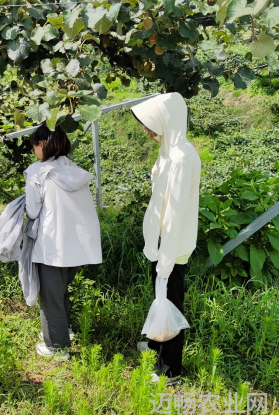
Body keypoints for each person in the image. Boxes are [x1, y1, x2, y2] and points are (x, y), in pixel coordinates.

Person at [131, 93, 201, 385]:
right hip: (162, 240)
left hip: (171, 242)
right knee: (161, 296)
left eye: (152, 123)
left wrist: (167, 256)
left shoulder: (182, 157)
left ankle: (170, 370)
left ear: (168, 120)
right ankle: (157, 345)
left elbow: (175, 212)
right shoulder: (169, 151)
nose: (148, 130)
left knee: (170, 300)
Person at [25, 125, 103, 360]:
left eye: (34, 146)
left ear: (42, 145)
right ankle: (62, 331)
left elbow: (32, 210)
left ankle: (56, 347)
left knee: (50, 296)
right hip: (78, 245)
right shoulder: (73, 170)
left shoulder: (37, 172)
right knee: (60, 292)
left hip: (52, 243)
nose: (34, 152)